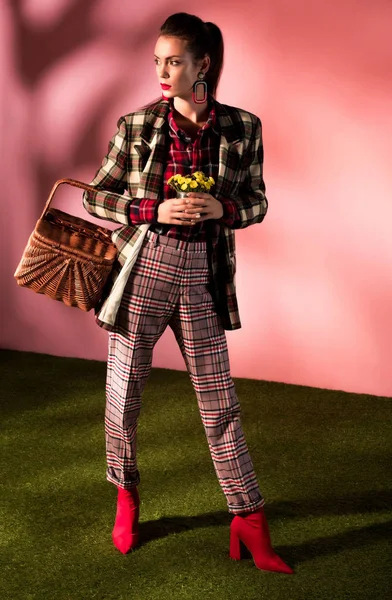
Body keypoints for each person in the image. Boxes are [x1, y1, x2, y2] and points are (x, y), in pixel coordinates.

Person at [82, 12, 293, 574]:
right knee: (124, 395)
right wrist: (152, 209)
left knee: (219, 403)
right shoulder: (136, 126)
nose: (162, 71)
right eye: (157, 61)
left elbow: (258, 203)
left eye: (173, 61)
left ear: (204, 64)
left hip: (203, 272)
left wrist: (224, 209)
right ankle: (125, 497)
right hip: (145, 266)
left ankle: (249, 520)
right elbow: (95, 199)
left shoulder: (243, 126)